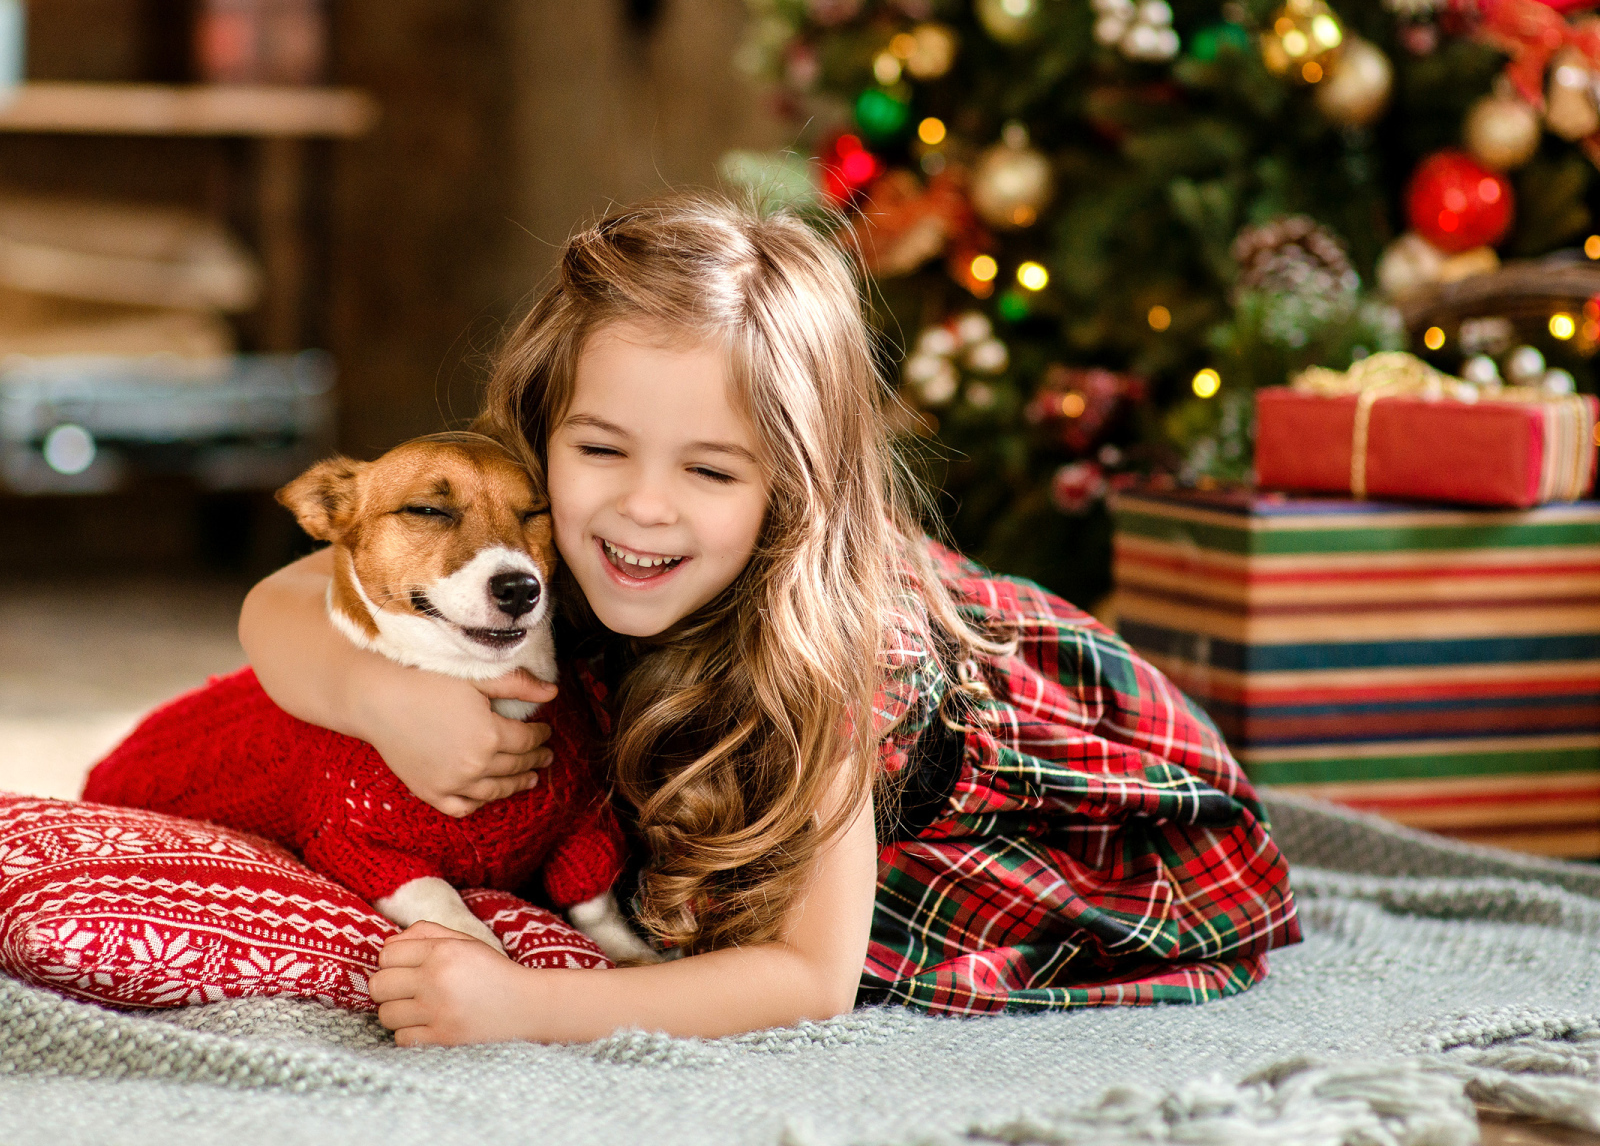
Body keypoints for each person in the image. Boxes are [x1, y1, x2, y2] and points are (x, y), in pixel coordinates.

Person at [239, 193, 1300, 1045]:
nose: (640, 507)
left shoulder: (837, 655)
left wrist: (530, 1010)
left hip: (1064, 819)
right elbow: (279, 600)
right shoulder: (527, 518)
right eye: (599, 449)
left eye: (708, 469)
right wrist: (381, 699)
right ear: (539, 430)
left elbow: (810, 976)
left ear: (788, 491)